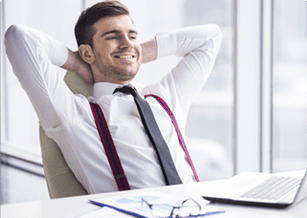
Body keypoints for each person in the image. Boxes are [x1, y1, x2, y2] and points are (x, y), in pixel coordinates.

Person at [4, 0, 222, 194]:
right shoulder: (75, 115)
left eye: (132, 35)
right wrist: (79, 63)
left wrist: (134, 52)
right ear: (88, 52)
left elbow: (211, 37)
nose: (127, 42)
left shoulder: (165, 96)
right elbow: (18, 38)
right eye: (112, 37)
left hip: (198, 209)